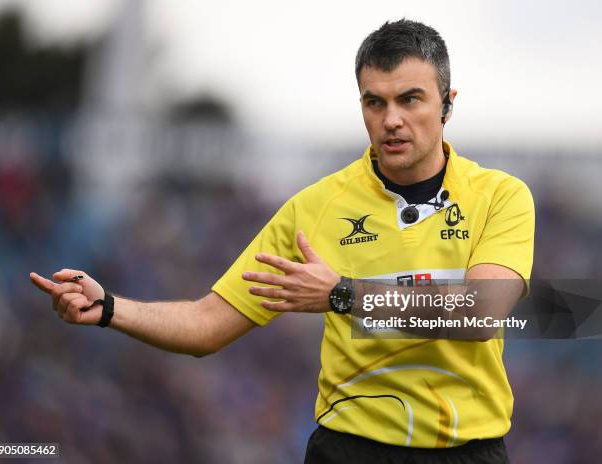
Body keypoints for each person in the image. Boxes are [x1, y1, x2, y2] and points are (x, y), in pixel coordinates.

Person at [30, 19, 534, 463]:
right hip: (350, 448)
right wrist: (113, 308)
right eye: (374, 101)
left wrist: (342, 294)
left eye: (410, 99)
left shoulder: (500, 196)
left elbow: (481, 313)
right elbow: (208, 324)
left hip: (469, 452)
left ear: (447, 104)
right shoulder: (314, 209)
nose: (391, 120)